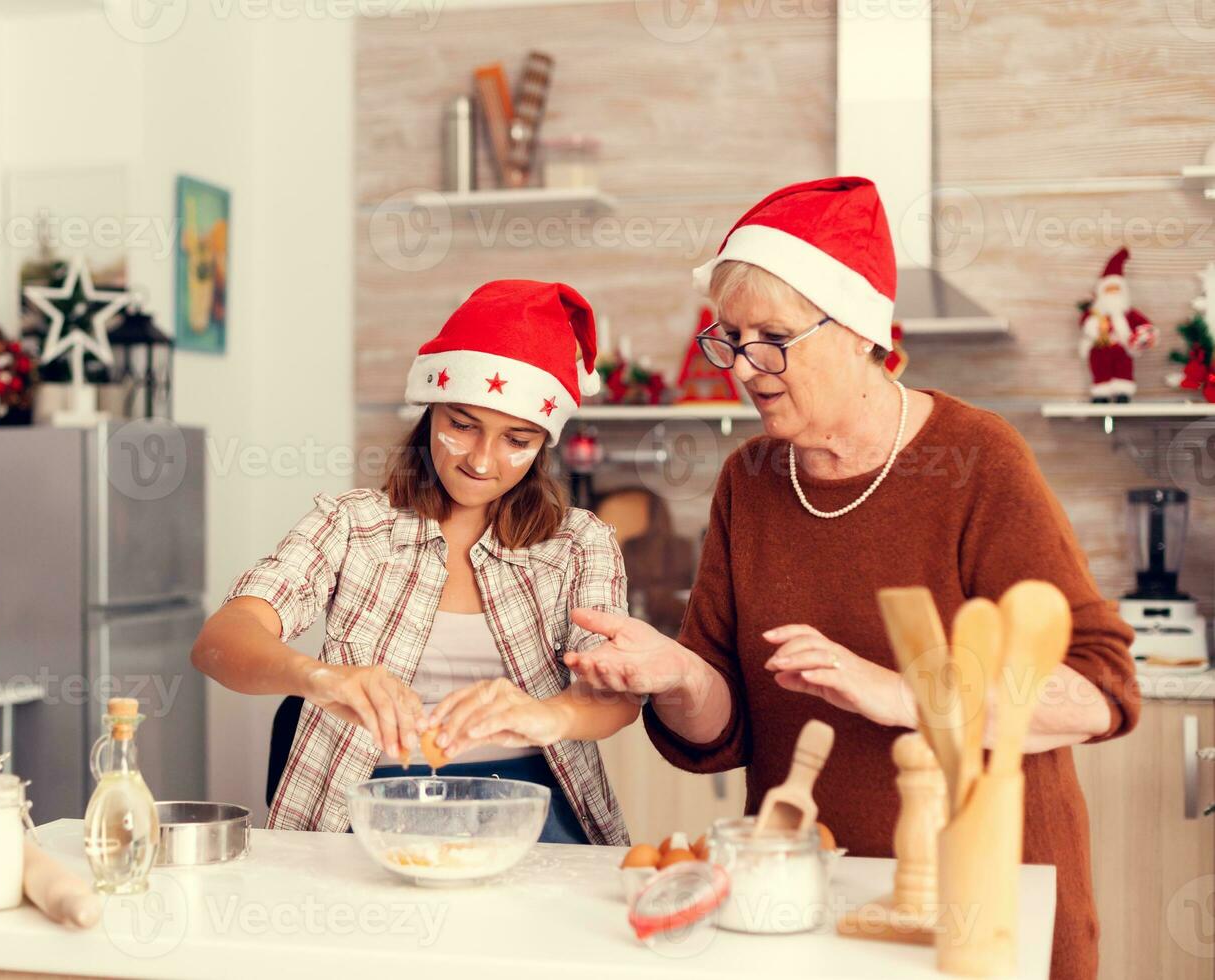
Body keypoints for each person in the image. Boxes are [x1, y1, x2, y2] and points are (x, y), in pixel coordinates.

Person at [563, 177, 1137, 977]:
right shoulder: (750, 479)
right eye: (728, 337)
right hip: (807, 912)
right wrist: (680, 674)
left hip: (978, 914)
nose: (745, 366)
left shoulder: (977, 461)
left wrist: (903, 695)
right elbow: (725, 731)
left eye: (773, 337)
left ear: (859, 330)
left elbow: (1100, 688)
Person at [193, 280, 636, 845]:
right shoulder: (353, 526)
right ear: (429, 414)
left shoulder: (580, 544)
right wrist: (318, 678)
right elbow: (219, 642)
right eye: (462, 424)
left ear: (543, 442)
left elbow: (619, 696)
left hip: (530, 806)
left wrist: (547, 716)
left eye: (515, 439)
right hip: (364, 805)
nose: (481, 460)